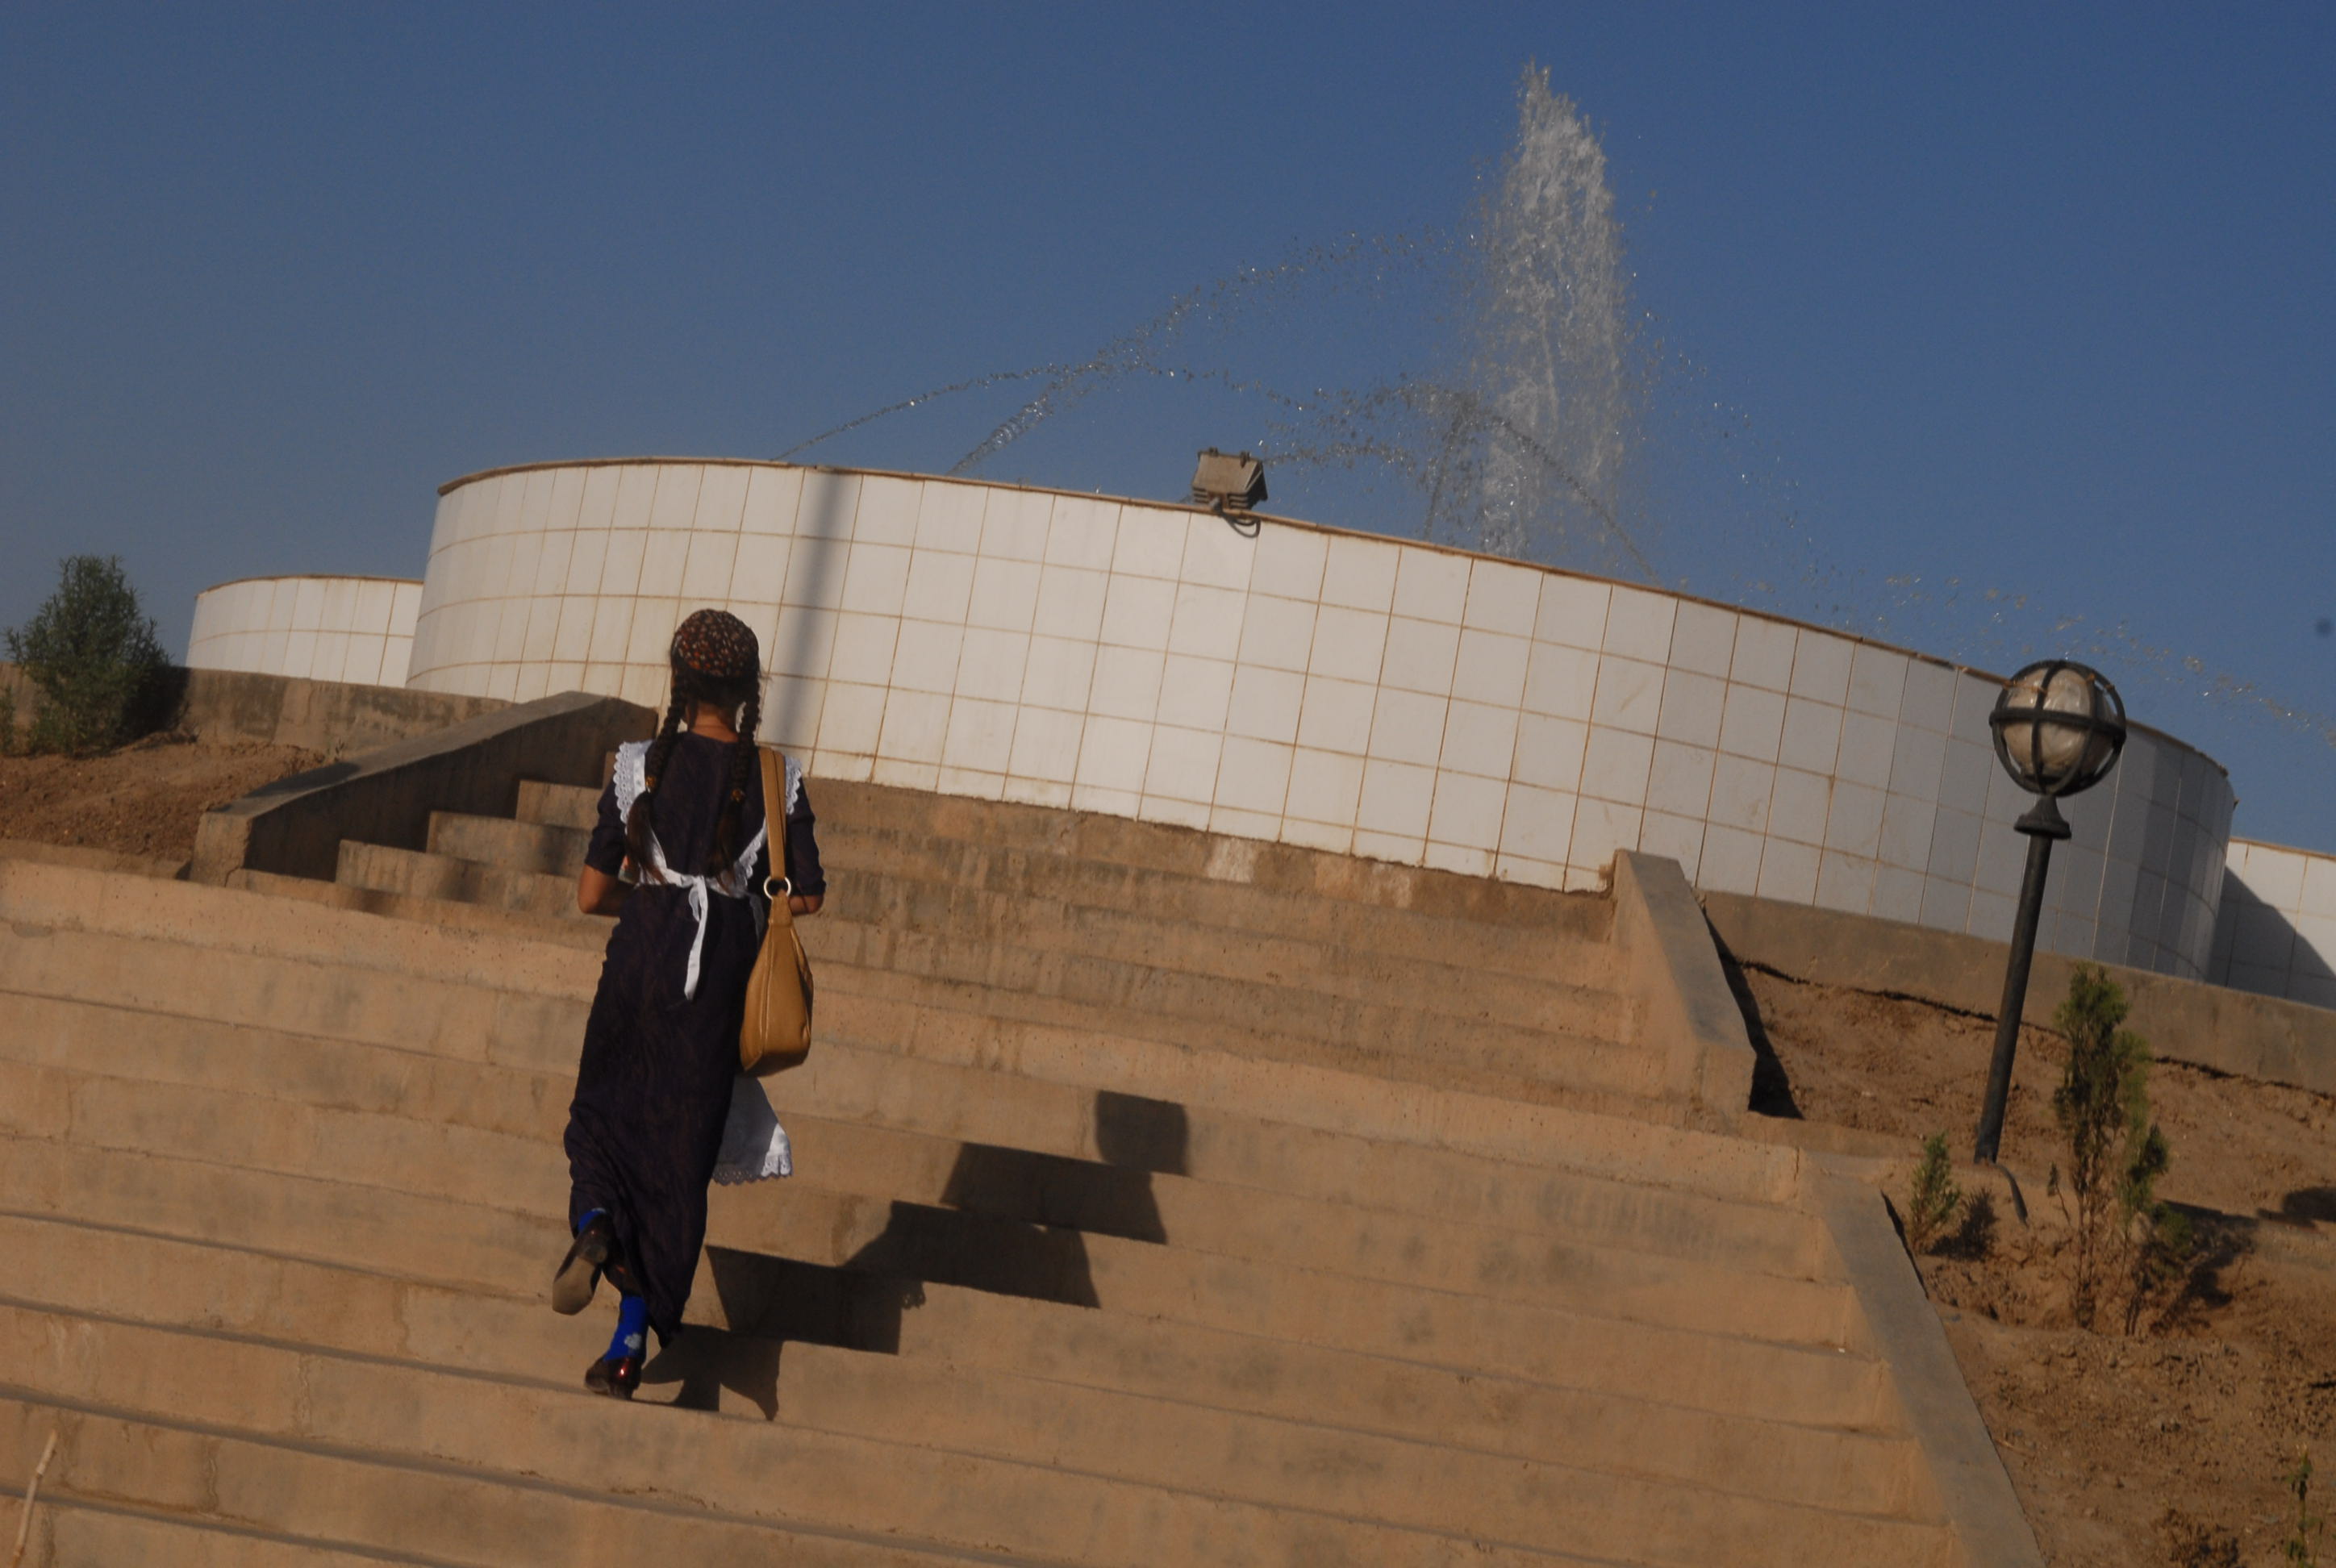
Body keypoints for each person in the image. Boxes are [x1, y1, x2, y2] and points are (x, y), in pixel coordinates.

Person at [553, 608, 825, 1397]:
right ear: (748, 691)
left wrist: (657, 899)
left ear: (678, 681)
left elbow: (590, 894)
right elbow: (806, 895)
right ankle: (628, 1347)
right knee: (676, 1168)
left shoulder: (639, 765)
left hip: (639, 961)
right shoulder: (775, 779)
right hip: (717, 985)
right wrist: (737, 896)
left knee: (602, 1125)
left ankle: (594, 1226)